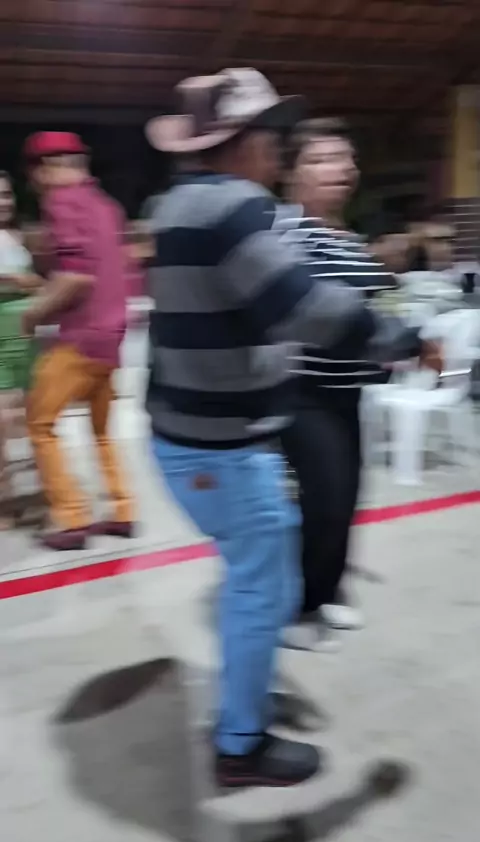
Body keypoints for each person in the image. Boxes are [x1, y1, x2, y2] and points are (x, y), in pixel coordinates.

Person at [144, 68, 404, 788]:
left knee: (265, 565)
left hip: (186, 432)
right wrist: (399, 337)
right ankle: (241, 744)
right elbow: (306, 310)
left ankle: (248, 692)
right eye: (275, 137)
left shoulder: (175, 205)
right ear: (247, 141)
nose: (281, 150)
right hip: (218, 446)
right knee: (262, 587)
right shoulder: (235, 207)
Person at [277, 119, 442, 646]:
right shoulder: (287, 234)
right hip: (300, 389)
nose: (341, 169)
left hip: (345, 390)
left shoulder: (345, 238)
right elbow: (325, 312)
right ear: (291, 172)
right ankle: (295, 609)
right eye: (322, 158)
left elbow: (373, 303)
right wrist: (407, 341)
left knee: (343, 497)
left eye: (345, 158)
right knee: (323, 497)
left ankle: (322, 593)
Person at [21, 131, 135, 550]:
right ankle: (122, 510)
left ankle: (71, 519)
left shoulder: (62, 201)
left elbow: (75, 278)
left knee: (40, 423)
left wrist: (33, 314)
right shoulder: (106, 206)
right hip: (113, 337)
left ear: (44, 168)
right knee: (101, 430)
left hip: (81, 338)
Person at [0, 171, 41, 527]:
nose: (4, 202)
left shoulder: (19, 236)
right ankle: (4, 503)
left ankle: (40, 494)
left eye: (7, 195)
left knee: (35, 419)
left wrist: (23, 283)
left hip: (26, 338)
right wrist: (15, 282)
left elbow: (39, 282)